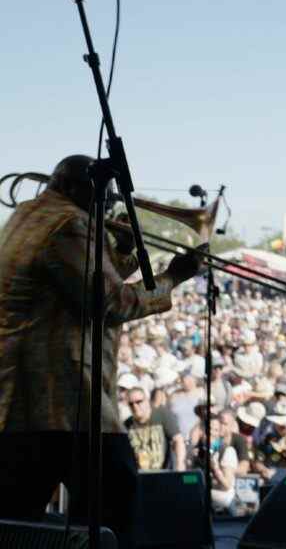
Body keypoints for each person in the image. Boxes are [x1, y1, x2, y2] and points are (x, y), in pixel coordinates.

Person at [0, 155, 203, 549]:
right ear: (83, 189)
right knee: (113, 500)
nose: (108, 206)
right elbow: (110, 303)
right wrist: (172, 278)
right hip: (62, 398)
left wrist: (121, 254)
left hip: (20, 401)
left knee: (17, 521)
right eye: (105, 197)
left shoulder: (29, 216)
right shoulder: (69, 223)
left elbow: (76, 287)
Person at [124, 387, 186, 471]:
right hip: (139, 475)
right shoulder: (127, 424)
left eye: (139, 402)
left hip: (163, 472)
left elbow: (178, 439)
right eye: (131, 404)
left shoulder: (162, 415)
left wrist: (180, 464)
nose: (135, 406)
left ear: (147, 401)